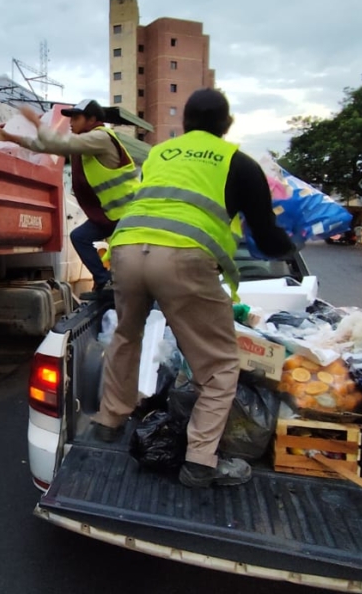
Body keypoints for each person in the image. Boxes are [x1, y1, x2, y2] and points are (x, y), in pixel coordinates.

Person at [94, 89, 293, 488]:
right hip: (183, 258)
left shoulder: (161, 155)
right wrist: (294, 241)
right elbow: (268, 238)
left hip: (127, 248)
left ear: (184, 123)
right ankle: (201, 460)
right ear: (227, 125)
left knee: (126, 336)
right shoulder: (238, 162)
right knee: (219, 366)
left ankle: (108, 420)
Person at [0, 99, 139, 293]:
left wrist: (36, 123)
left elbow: (61, 142)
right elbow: (50, 146)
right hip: (109, 215)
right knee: (80, 237)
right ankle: (104, 281)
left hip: (128, 214)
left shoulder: (100, 138)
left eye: (76, 118)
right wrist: (13, 138)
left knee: (128, 264)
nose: (71, 123)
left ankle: (123, 290)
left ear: (92, 119)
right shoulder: (85, 143)